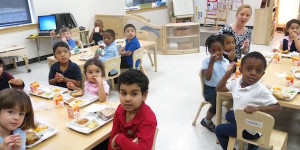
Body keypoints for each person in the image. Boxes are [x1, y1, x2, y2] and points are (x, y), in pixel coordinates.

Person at [215, 52, 281, 150]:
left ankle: (254, 142)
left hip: (250, 129)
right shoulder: (237, 81)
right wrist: (228, 72)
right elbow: (219, 88)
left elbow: (278, 107)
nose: (253, 73)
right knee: (229, 114)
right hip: (245, 119)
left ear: (262, 74)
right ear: (241, 70)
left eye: (258, 71)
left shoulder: (260, 89)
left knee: (218, 130)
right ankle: (253, 144)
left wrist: (257, 108)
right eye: (249, 69)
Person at [109, 69, 157, 150]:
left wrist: (119, 139)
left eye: (134, 94)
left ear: (144, 95)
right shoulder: (120, 109)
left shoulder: (148, 118)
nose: (127, 99)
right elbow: (112, 139)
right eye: (124, 93)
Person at [200, 34, 229, 132]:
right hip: (210, 91)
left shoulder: (225, 61)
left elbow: (227, 76)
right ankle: (206, 120)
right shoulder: (206, 62)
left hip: (223, 88)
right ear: (209, 51)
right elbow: (207, 78)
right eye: (213, 50)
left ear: (223, 49)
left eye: (219, 50)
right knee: (217, 102)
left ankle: (234, 120)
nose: (217, 53)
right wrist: (211, 63)